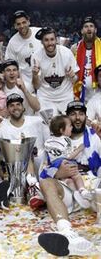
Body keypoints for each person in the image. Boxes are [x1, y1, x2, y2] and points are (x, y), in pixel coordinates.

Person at [38, 100, 100, 257]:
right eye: (72, 114)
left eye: (81, 114)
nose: (77, 118)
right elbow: (43, 171)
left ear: (86, 116)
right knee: (46, 183)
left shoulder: (95, 136)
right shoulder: (54, 141)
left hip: (92, 190)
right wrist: (59, 173)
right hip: (68, 190)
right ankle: (67, 234)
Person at [40, 115, 92, 208]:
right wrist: (80, 149)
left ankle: (74, 198)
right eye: (70, 126)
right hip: (63, 163)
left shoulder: (49, 141)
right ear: (61, 130)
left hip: (53, 167)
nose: (72, 127)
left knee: (69, 181)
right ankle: (82, 190)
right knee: (76, 175)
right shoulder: (66, 140)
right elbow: (68, 156)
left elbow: (49, 157)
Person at [32, 27, 79, 115]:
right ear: (41, 42)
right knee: (46, 126)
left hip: (65, 96)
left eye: (52, 39)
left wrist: (72, 76)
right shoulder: (36, 56)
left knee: (68, 125)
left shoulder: (67, 53)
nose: (50, 43)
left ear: (56, 40)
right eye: (46, 40)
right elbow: (37, 86)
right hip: (46, 97)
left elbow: (75, 80)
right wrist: (34, 75)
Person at [5, 10, 42, 87]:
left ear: (28, 22)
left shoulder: (40, 33)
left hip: (45, 79)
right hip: (27, 83)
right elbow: (10, 65)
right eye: (18, 24)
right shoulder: (12, 42)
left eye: (24, 22)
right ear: (15, 26)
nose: (22, 26)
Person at [72, 16, 101, 102]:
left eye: (91, 26)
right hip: (81, 93)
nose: (89, 29)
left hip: (98, 91)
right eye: (86, 26)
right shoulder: (74, 48)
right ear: (82, 31)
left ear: (95, 30)